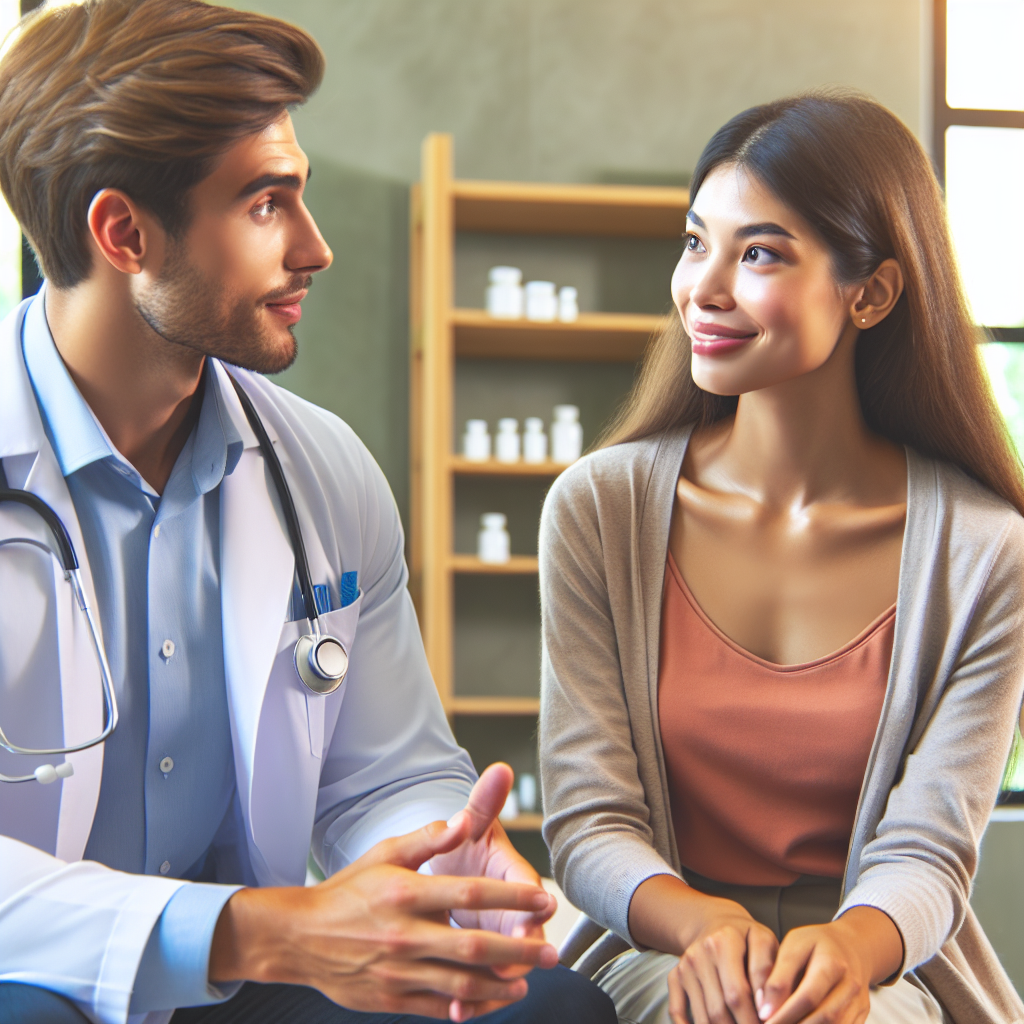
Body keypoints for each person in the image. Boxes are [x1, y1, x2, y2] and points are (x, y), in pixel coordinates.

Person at [0, 2, 617, 1023]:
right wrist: (267, 929)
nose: (315, 247)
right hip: (36, 972)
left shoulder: (320, 470)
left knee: (552, 1009)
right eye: (264, 204)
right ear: (123, 231)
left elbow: (385, 774)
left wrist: (449, 863)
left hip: (248, 986)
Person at [539, 91, 1024, 1024]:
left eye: (758, 252)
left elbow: (929, 847)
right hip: (663, 946)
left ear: (872, 292)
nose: (703, 288)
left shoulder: (983, 550)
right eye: (694, 242)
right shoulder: (599, 510)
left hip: (877, 966)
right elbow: (591, 821)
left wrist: (846, 951)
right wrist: (703, 929)